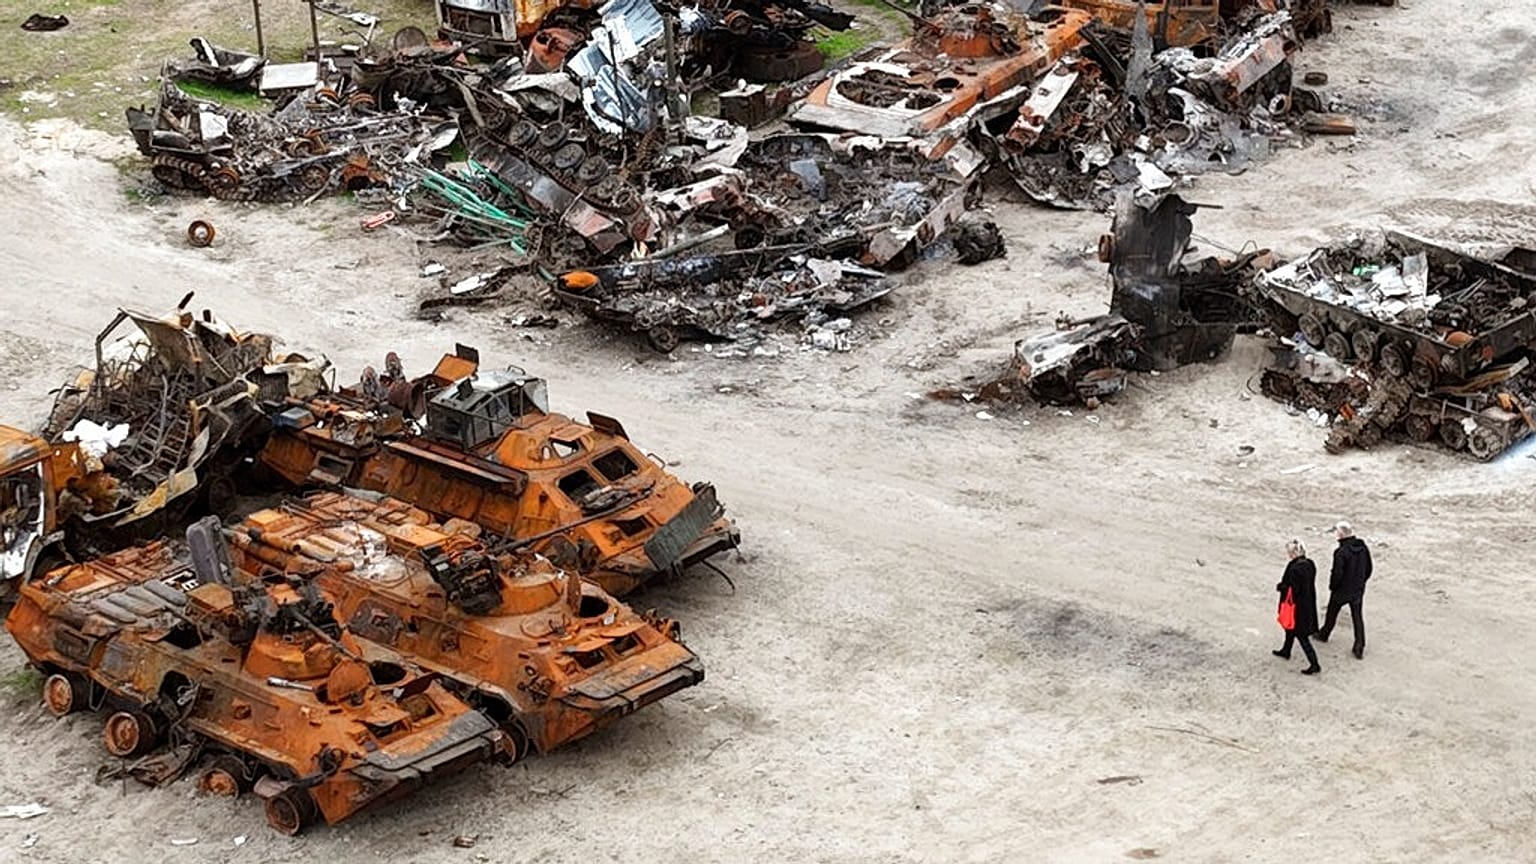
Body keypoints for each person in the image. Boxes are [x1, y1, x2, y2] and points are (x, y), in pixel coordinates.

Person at [1317, 520, 1372, 659]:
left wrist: (1333, 586)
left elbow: (1337, 573)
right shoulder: (1363, 548)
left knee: (1332, 612)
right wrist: (1361, 582)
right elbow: (1369, 568)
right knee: (1357, 617)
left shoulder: (1341, 552)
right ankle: (1359, 646)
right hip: (1357, 589)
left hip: (1342, 590)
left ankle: (1324, 634)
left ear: (1341, 534)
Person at [1273, 539, 1321, 675]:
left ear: (1294, 552)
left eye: (1289, 552)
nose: (1288, 554)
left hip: (1296, 607)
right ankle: (1286, 650)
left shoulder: (1294, 568)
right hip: (1307, 604)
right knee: (1290, 629)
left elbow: (1292, 590)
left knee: (1301, 636)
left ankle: (1314, 664)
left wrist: (1281, 587)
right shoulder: (1310, 564)